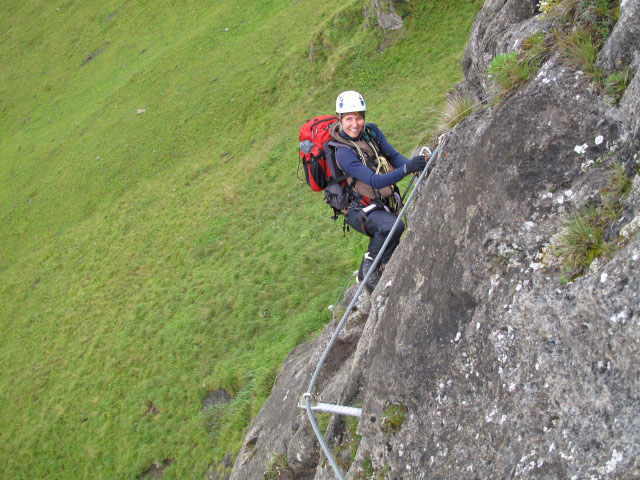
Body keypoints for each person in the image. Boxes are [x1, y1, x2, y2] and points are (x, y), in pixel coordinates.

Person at [330, 90, 427, 291]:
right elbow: (374, 181)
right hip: (360, 210)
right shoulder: (343, 153)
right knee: (393, 227)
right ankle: (369, 264)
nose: (354, 124)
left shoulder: (371, 132)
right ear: (340, 119)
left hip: (380, 204)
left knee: (393, 234)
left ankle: (384, 262)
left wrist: (413, 165)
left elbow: (392, 155)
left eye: (358, 118)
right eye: (348, 119)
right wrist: (407, 169)